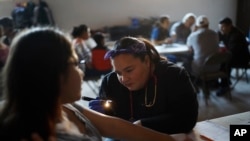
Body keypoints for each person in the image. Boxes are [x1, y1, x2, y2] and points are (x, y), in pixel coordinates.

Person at [0, 27, 178, 141]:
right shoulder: (39, 135)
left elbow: (114, 125)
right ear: (51, 73)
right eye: (76, 64)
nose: (82, 72)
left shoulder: (65, 107)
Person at [89, 36, 198, 136]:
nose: (123, 79)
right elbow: (109, 121)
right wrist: (102, 116)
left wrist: (141, 125)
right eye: (118, 73)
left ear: (146, 61)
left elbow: (187, 119)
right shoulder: (110, 82)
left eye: (129, 70)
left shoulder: (174, 75)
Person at [217, 17, 250, 95]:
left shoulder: (236, 35)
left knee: (224, 63)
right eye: (220, 27)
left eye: (223, 27)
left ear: (230, 26)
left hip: (242, 59)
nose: (221, 29)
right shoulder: (226, 32)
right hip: (234, 56)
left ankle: (224, 86)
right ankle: (222, 81)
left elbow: (232, 51)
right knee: (220, 61)